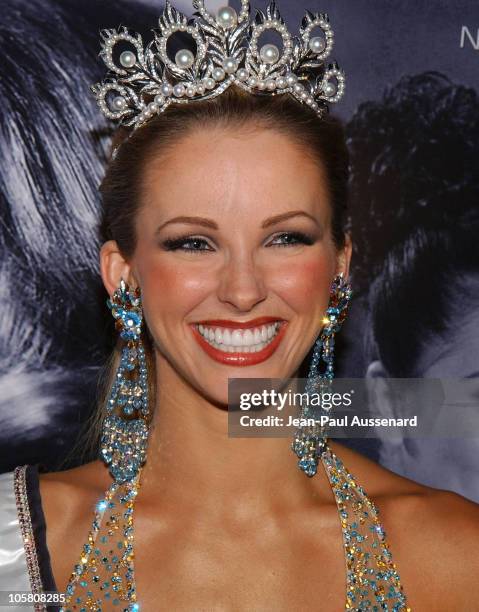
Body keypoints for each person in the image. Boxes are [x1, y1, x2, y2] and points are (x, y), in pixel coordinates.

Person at [1, 2, 478, 610]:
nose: (243, 289)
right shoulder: (10, 550)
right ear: (124, 276)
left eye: (285, 238)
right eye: (193, 243)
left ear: (338, 267)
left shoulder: (458, 557)